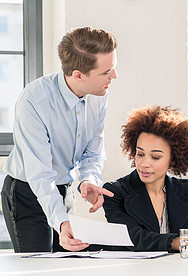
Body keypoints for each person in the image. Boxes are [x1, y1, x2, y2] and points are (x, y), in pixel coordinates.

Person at [1, 27, 117, 252]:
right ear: (78, 75)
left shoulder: (99, 94)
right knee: (38, 267)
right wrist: (62, 222)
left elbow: (93, 153)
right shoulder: (34, 101)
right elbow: (40, 174)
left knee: (69, 260)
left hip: (64, 189)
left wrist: (88, 180)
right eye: (106, 72)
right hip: (27, 192)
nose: (114, 76)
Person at [103, 106, 188, 252]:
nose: (144, 163)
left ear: (173, 159)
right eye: (140, 154)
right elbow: (134, 239)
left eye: (155, 157)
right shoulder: (115, 192)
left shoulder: (186, 190)